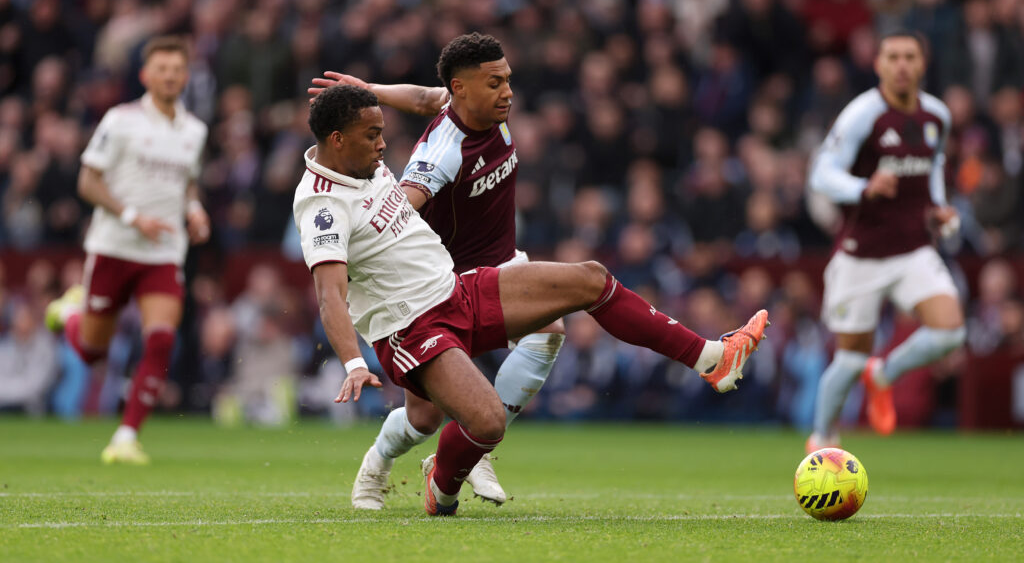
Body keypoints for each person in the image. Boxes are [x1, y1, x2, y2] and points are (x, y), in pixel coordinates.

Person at [295, 84, 769, 516]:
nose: (383, 145)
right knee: (483, 422)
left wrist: (370, 89)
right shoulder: (322, 205)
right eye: (372, 135)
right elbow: (329, 294)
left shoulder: (365, 159)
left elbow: (429, 100)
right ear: (337, 139)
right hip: (412, 328)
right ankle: (436, 488)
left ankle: (712, 358)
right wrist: (354, 364)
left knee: (589, 279)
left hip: (457, 290)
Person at [308, 33, 565, 509]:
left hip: (496, 257)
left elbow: (426, 97)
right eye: (497, 81)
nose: (508, 90)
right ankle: (379, 461)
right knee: (423, 419)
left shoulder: (481, 106)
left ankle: (476, 447)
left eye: (507, 79)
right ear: (467, 85)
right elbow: (402, 203)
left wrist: (372, 89)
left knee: (548, 329)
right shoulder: (438, 151)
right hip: (440, 275)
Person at [46, 36, 210, 464]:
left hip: (163, 252)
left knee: (160, 339)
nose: (171, 75)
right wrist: (132, 214)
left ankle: (125, 436)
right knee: (92, 350)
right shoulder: (120, 120)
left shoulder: (195, 131)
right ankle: (68, 313)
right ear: (146, 75)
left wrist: (194, 209)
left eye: (177, 69)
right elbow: (88, 182)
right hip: (114, 246)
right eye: (163, 68)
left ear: (185, 76)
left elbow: (188, 183)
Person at [806, 30, 966, 452]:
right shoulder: (862, 115)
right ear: (877, 65)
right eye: (892, 57)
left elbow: (933, 166)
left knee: (950, 332)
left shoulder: (937, 116)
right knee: (849, 357)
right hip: (861, 255)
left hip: (913, 248)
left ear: (922, 64)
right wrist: (863, 187)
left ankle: (884, 375)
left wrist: (938, 206)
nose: (901, 65)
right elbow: (821, 173)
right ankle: (822, 438)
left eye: (909, 57)